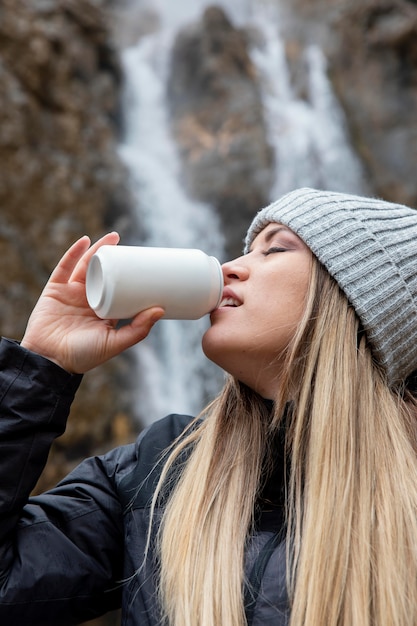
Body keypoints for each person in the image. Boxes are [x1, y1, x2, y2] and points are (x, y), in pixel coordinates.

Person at [1, 187, 417, 626]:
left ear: (365, 301)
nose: (229, 268)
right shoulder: (157, 472)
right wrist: (40, 367)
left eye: (274, 249)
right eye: (246, 250)